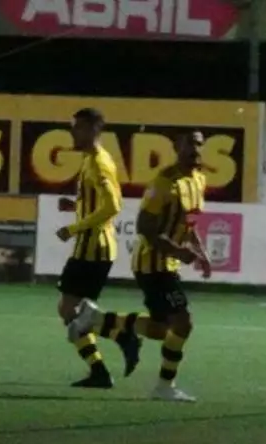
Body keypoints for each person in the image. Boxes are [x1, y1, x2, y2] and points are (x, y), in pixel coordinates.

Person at [70, 129, 213, 402]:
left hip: (167, 263)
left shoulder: (199, 179)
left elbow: (188, 223)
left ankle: (96, 319)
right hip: (152, 263)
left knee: (160, 329)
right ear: (177, 146)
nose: (195, 149)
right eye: (189, 143)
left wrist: (201, 253)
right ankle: (164, 387)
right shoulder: (163, 183)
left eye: (199, 144)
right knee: (183, 323)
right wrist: (177, 250)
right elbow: (145, 227)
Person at [53, 108, 137, 389]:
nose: (72, 132)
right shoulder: (92, 159)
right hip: (91, 248)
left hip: (93, 248)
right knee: (72, 310)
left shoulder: (99, 163)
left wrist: (74, 228)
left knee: (69, 310)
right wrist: (76, 205)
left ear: (92, 130)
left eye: (77, 127)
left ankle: (120, 337)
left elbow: (113, 206)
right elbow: (99, 202)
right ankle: (100, 368)